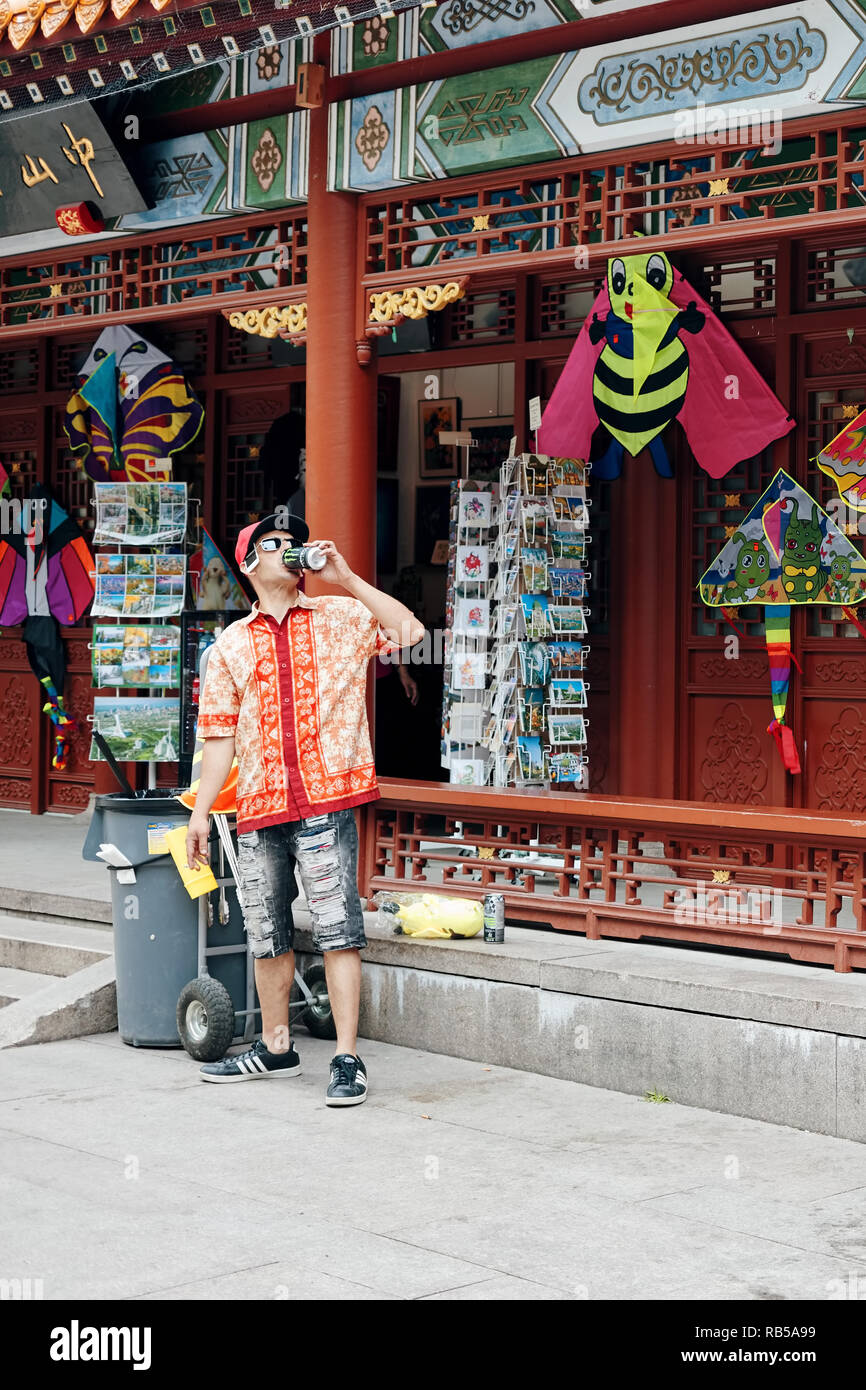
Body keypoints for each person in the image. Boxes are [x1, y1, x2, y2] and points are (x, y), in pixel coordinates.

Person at [185, 512, 425, 1107]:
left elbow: (411, 631)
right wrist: (199, 814)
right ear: (248, 562)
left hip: (326, 800)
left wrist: (344, 576)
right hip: (260, 806)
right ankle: (276, 1047)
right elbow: (219, 739)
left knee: (339, 930)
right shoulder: (230, 646)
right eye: (276, 544)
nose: (290, 551)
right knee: (266, 935)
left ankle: (346, 1057)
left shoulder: (339, 617)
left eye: (295, 543)